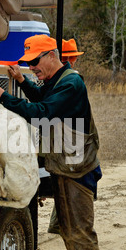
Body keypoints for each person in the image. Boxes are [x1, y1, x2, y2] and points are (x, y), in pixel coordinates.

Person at [0, 34, 110, 250]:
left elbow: (42, 112)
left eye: (35, 61)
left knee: (79, 233)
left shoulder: (71, 83)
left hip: (75, 170)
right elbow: (43, 97)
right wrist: (21, 82)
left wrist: (4, 98)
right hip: (68, 167)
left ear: (52, 55)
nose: (33, 67)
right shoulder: (60, 81)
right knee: (74, 231)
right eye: (28, 63)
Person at [48, 38, 83, 234]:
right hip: (70, 136)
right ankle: (61, 225)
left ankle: (58, 224)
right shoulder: (72, 77)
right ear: (70, 59)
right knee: (69, 182)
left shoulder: (55, 78)